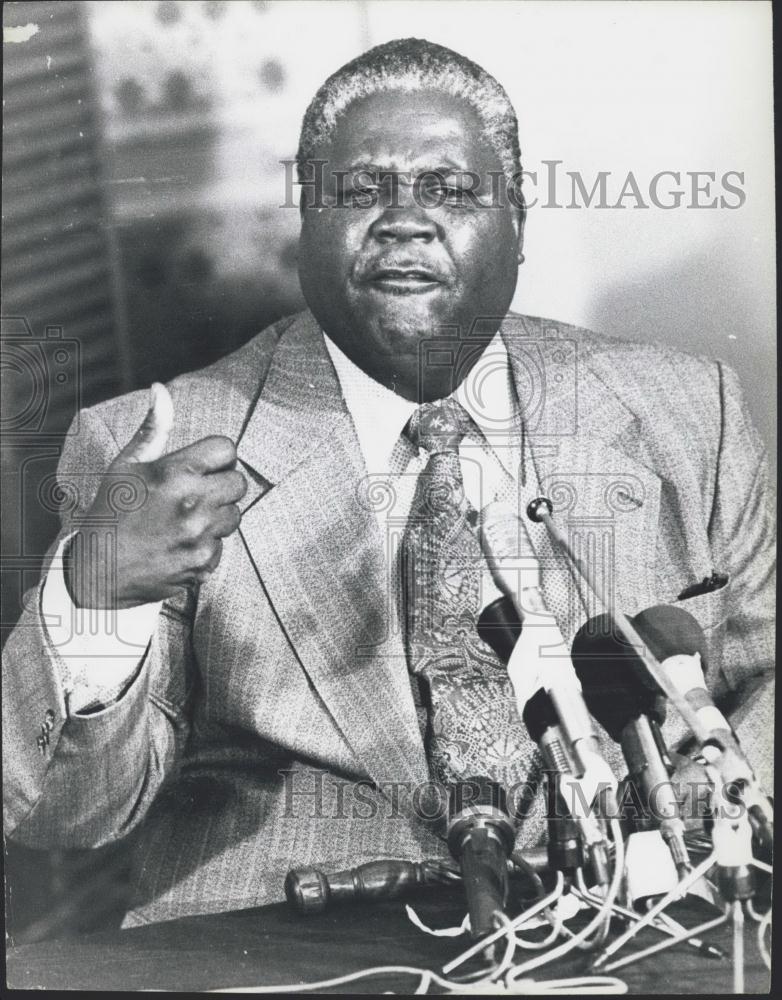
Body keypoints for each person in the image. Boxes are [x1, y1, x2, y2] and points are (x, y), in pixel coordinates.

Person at [3, 38, 774, 928]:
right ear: (306, 221)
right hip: (281, 940)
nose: (404, 222)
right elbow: (63, 817)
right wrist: (98, 595)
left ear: (518, 219)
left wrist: (704, 810)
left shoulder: (689, 411)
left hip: (637, 922)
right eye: (361, 192)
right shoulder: (146, 452)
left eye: (449, 190)